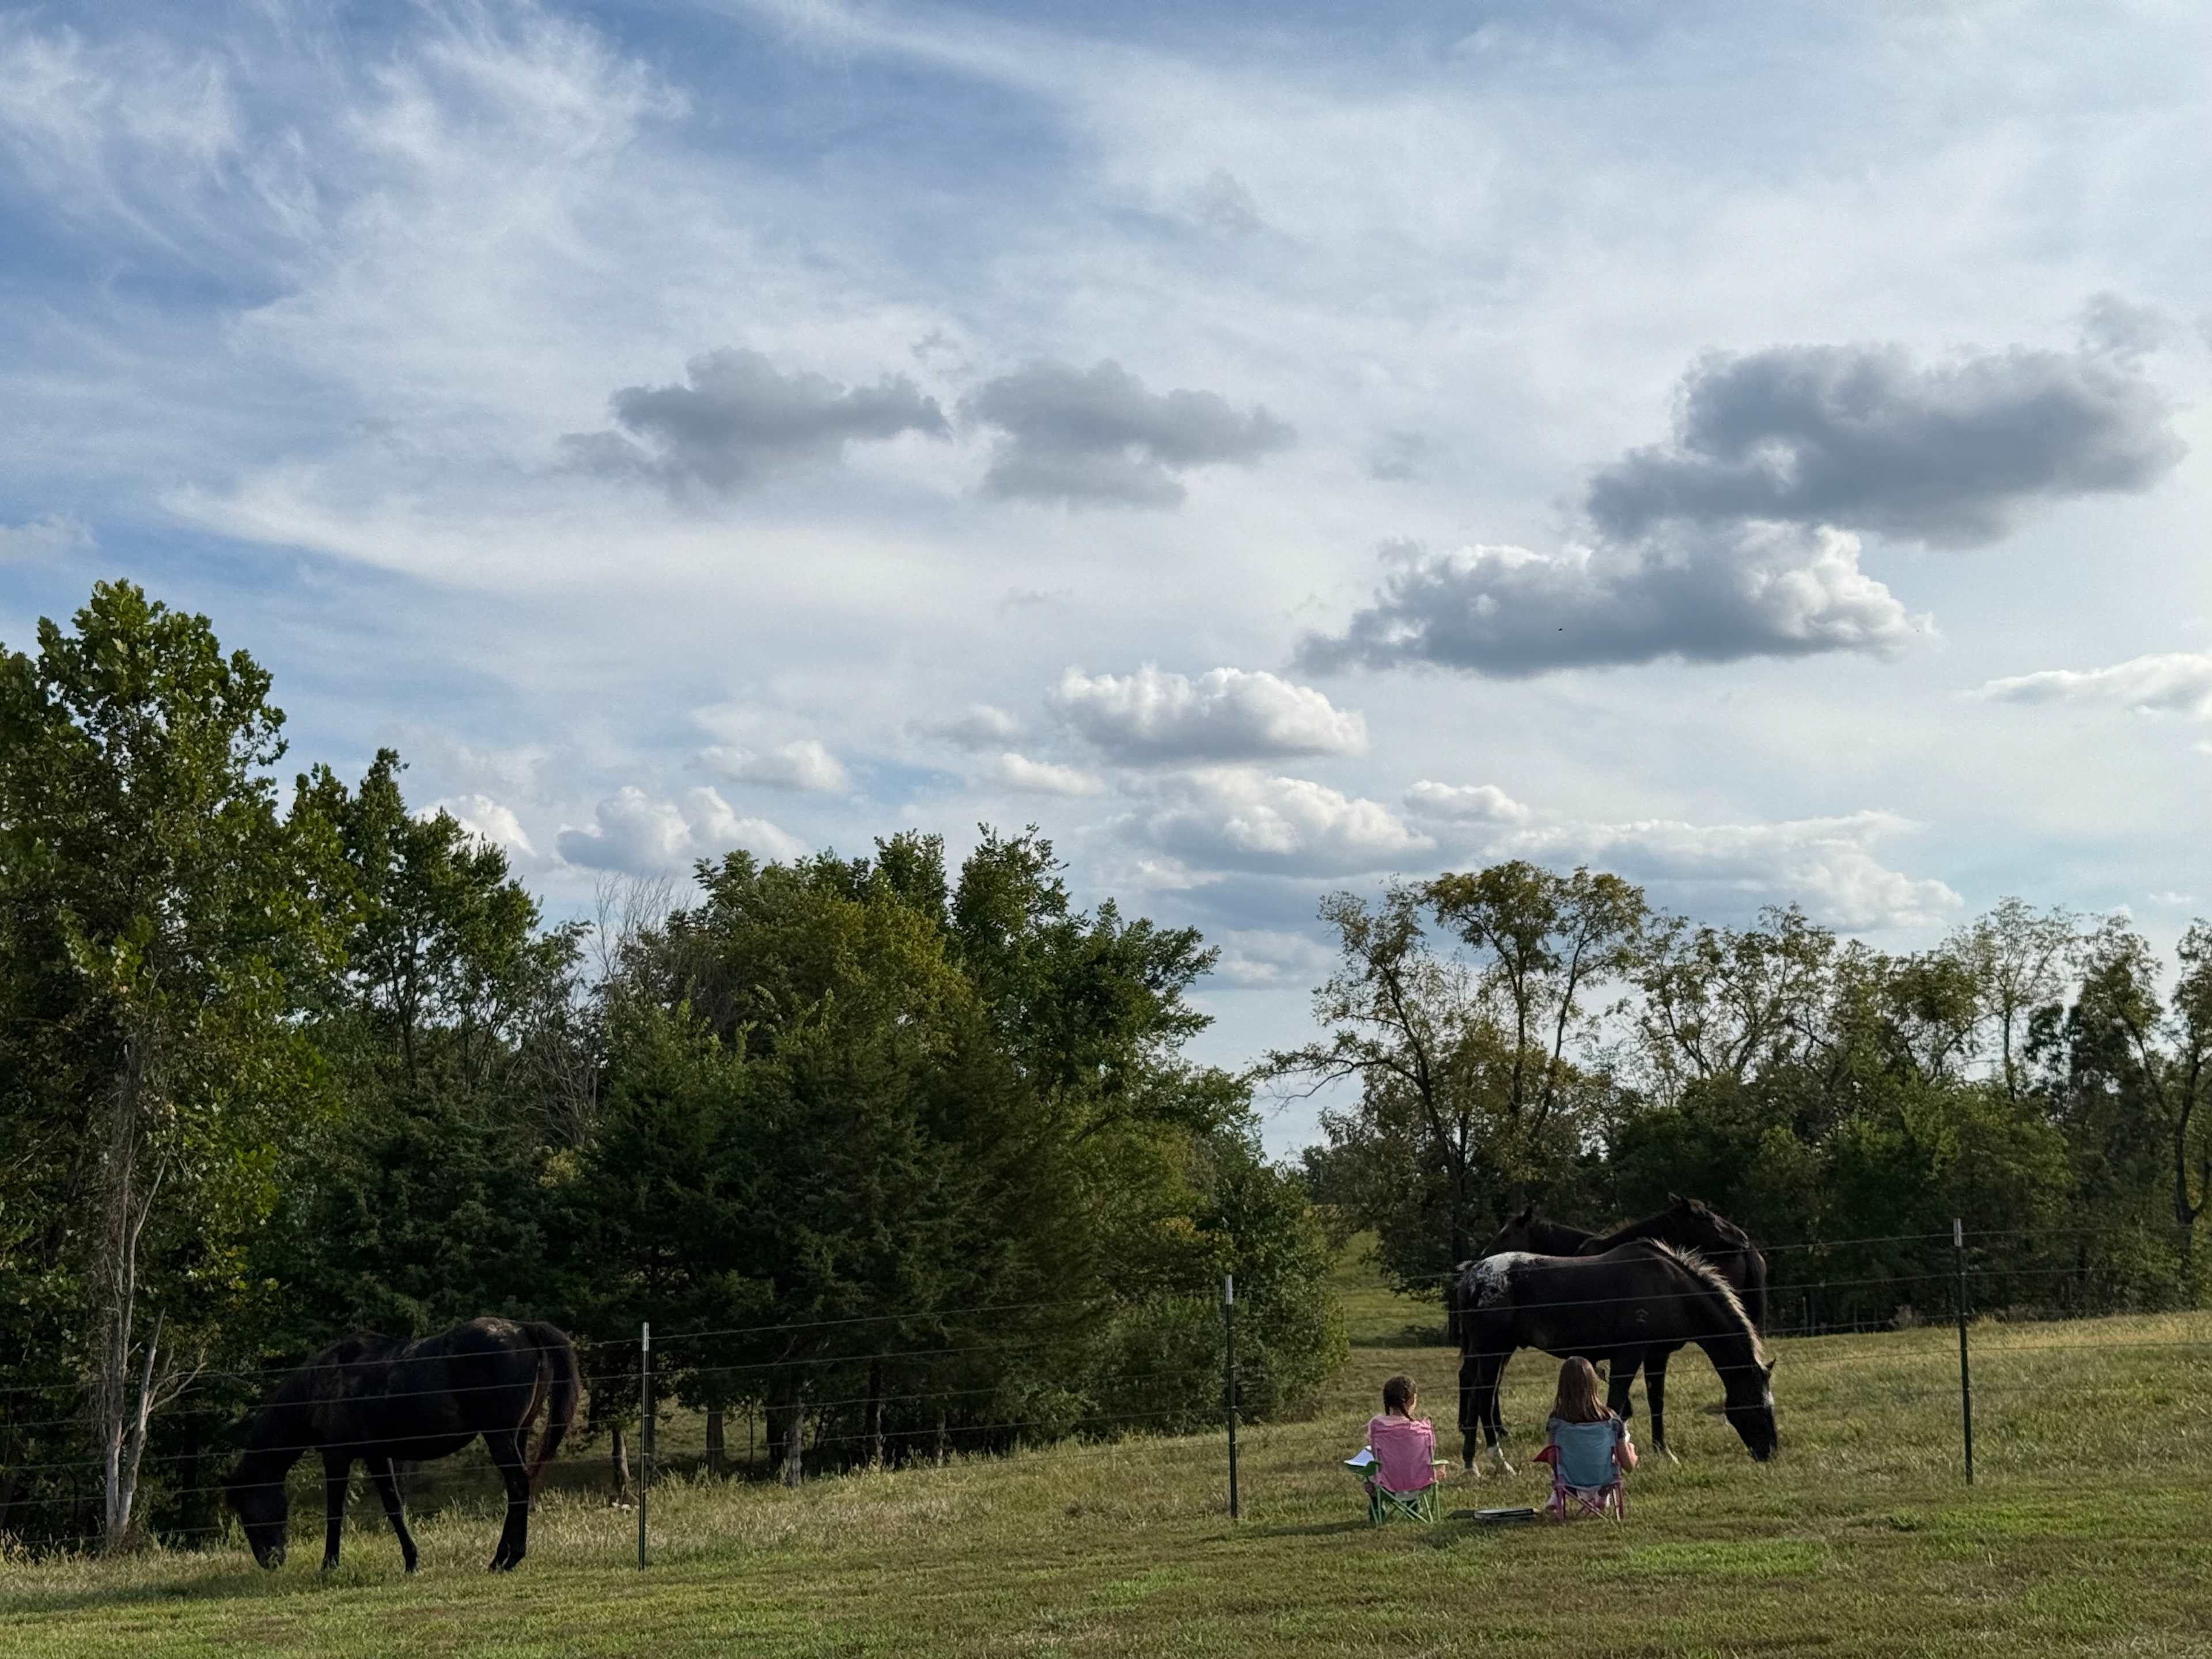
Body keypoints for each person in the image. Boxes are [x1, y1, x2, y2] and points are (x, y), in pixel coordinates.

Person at [1543, 1356, 1636, 1516]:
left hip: (1569, 1482)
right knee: (1625, 1446)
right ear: (1593, 1384)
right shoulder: (1611, 1420)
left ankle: (1559, 1498)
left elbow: (1553, 1459)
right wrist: (1632, 1451)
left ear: (1562, 1386)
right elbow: (1627, 1465)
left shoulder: (1556, 1421)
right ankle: (1602, 1496)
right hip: (1604, 1479)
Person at [1365, 1374, 1441, 1498]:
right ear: (1412, 1401)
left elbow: (1374, 1452)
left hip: (1386, 1487)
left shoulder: (1377, 1426)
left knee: (1370, 1468)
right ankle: (1413, 1505)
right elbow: (1431, 1452)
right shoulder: (1423, 1429)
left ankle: (1377, 1509)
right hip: (1420, 1485)